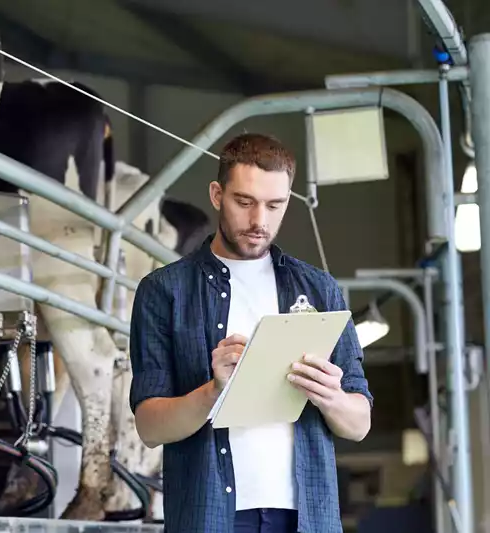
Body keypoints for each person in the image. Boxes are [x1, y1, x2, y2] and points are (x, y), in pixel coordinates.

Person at [128, 132, 372, 533]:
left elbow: (359, 423)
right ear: (216, 194)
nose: (260, 221)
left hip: (306, 516)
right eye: (244, 202)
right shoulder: (165, 291)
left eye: (275, 205)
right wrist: (213, 390)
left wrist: (331, 397)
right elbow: (150, 427)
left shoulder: (319, 289)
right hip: (210, 516)